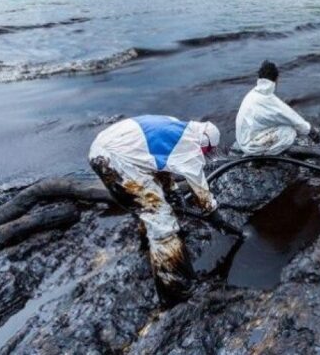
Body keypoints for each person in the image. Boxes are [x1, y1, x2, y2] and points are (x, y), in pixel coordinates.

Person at [88, 115, 221, 307]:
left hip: (103, 148)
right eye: (207, 150)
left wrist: (172, 191)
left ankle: (146, 241)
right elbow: (199, 186)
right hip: (116, 159)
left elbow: (158, 159)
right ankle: (175, 288)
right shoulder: (190, 144)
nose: (205, 153)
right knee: (162, 222)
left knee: (148, 204)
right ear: (203, 141)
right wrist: (212, 212)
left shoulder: (176, 124)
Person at [235, 60, 320, 156]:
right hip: (250, 147)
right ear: (276, 79)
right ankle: (268, 155)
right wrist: (311, 132)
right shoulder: (268, 99)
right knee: (289, 131)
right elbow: (293, 119)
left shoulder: (251, 95)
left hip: (242, 140)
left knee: (280, 124)